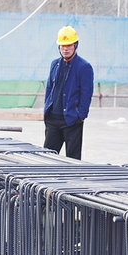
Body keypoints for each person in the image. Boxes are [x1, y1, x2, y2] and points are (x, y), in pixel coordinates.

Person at [43, 25, 94, 160]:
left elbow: (86, 94)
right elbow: (49, 88)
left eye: (69, 45)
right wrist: (46, 110)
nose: (65, 49)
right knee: (47, 158)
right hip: (53, 120)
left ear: (75, 46)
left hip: (71, 120)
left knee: (73, 159)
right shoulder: (55, 64)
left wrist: (81, 115)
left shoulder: (84, 67)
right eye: (62, 46)